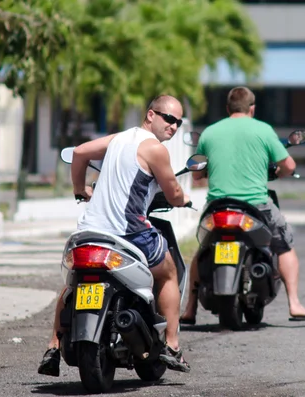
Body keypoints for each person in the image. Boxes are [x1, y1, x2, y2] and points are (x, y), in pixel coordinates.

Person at [38, 95, 192, 377]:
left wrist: (79, 189)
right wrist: (183, 200)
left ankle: (53, 345)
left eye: (178, 123)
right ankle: (171, 345)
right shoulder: (155, 149)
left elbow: (80, 151)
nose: (173, 126)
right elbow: (173, 192)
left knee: (74, 281)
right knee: (168, 272)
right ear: (150, 115)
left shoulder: (118, 139)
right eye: (168, 118)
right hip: (129, 232)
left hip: (90, 230)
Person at [179, 86, 305, 324]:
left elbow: (197, 175)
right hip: (256, 206)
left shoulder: (210, 132)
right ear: (252, 109)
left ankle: (190, 309)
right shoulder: (263, 130)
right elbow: (290, 166)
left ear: (227, 108)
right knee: (284, 244)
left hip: (217, 207)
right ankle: (294, 303)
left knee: (203, 249)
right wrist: (278, 171)